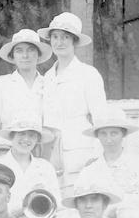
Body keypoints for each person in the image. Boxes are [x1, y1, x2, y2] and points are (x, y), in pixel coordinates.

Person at [39, 13, 107, 196]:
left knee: (79, 197)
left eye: (65, 37)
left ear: (74, 41)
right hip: (51, 149)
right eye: (55, 37)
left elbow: (101, 119)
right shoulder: (47, 78)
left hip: (81, 149)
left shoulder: (88, 74)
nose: (59, 42)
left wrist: (96, 155)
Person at [79, 105, 139, 218]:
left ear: (123, 134)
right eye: (103, 134)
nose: (109, 139)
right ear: (97, 136)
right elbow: (82, 206)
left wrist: (123, 216)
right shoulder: (89, 171)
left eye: (114, 133)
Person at [0, 112, 62, 218]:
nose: (26, 139)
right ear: (12, 135)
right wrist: (25, 203)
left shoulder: (46, 167)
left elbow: (57, 206)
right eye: (21, 134)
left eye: (32, 135)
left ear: (37, 139)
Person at [0, 28, 53, 134]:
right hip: (8, 146)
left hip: (42, 146)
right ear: (12, 56)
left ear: (38, 54)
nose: (25, 55)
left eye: (31, 50)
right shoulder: (1, 85)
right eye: (19, 50)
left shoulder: (49, 84)